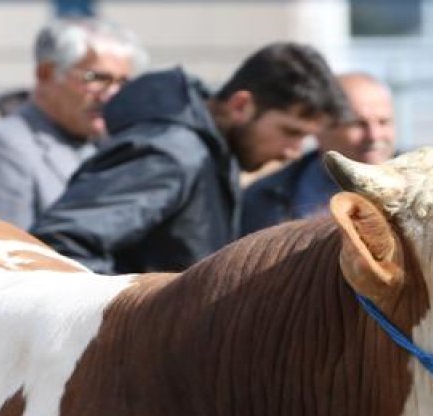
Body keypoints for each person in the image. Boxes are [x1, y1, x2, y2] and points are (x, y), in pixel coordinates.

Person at [32, 42, 347, 274]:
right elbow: (61, 243)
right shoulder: (174, 153)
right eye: (290, 132)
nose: (293, 151)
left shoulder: (208, 153)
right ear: (240, 106)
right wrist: (136, 329)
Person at [0, 17, 145, 230]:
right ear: (46, 73)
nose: (111, 95)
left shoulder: (104, 146)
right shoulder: (0, 150)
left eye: (123, 82)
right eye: (96, 78)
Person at [240, 72, 395, 235]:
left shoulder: (420, 191)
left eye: (384, 122)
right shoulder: (263, 200)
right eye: (358, 124)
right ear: (319, 128)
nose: (374, 135)